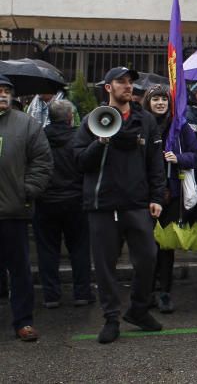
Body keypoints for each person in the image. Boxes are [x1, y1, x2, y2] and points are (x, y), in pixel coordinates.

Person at [74, 67, 165, 344]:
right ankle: (111, 318)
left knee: (148, 259)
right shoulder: (92, 120)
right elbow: (78, 162)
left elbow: (155, 161)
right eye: (121, 82)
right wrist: (100, 143)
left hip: (136, 204)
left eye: (130, 82)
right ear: (108, 87)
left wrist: (157, 197)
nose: (128, 86)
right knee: (105, 266)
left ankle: (138, 310)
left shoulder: (146, 121)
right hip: (103, 205)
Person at [0, 74, 53, 342]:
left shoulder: (26, 125)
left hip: (13, 212)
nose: (2, 94)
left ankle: (23, 322)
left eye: (6, 90)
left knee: (19, 270)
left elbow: (42, 161)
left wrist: (27, 191)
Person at [142, 85, 197, 314]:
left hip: (170, 196)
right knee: (146, 248)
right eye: (155, 99)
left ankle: (164, 292)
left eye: (163, 99)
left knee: (165, 248)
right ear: (148, 102)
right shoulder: (141, 125)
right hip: (144, 196)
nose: (160, 103)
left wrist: (178, 158)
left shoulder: (180, 127)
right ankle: (146, 292)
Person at [34, 100, 93, 311]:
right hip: (75, 200)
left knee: (47, 250)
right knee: (79, 248)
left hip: (45, 201)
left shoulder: (39, 136)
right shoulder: (79, 137)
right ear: (70, 117)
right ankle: (82, 293)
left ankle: (51, 296)